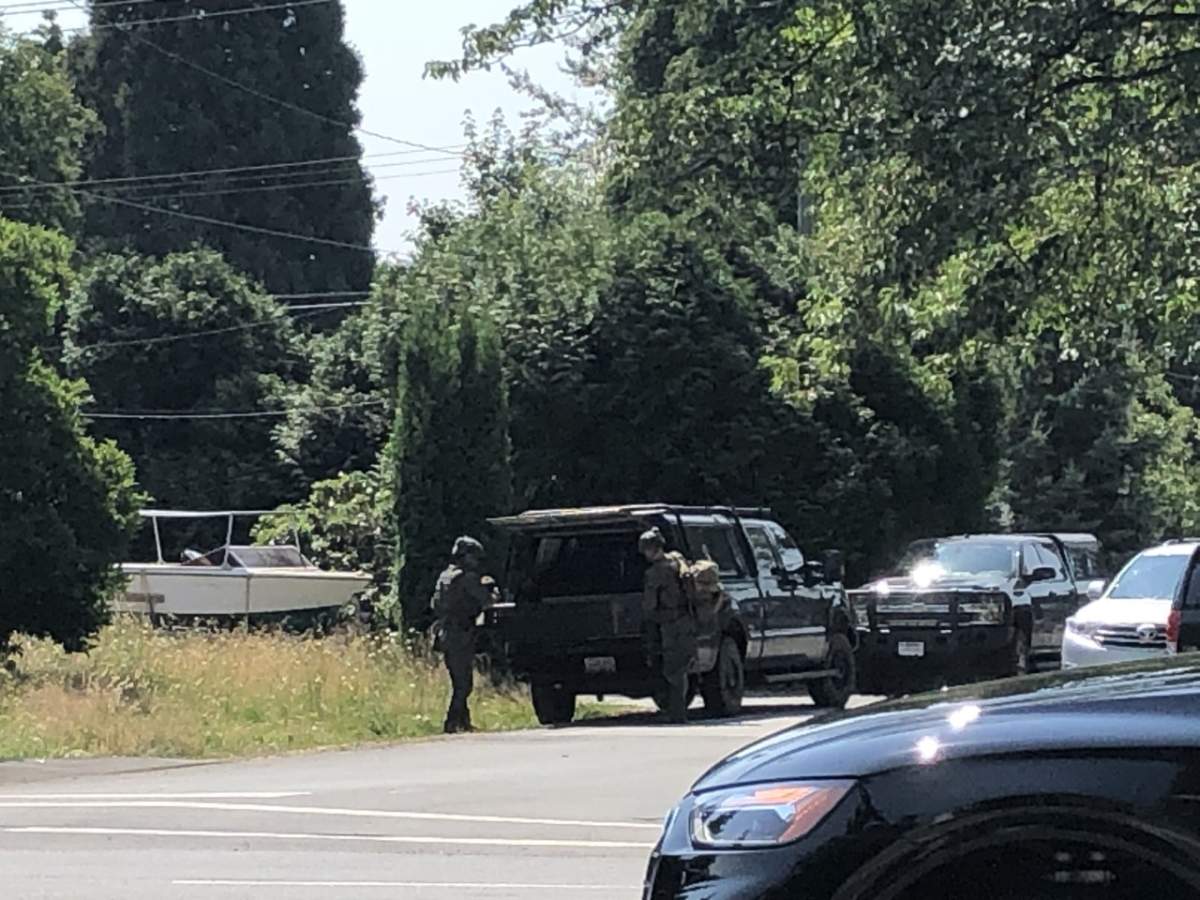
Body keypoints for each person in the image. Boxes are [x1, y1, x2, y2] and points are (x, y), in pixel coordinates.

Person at [432, 536, 495, 734]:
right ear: (465, 557)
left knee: (459, 679)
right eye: (474, 557)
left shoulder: (445, 576)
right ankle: (452, 722)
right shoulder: (466, 578)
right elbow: (487, 602)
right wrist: (490, 589)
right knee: (464, 683)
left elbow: (434, 604)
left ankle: (463, 722)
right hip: (460, 632)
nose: (476, 562)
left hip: (445, 631)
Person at [640, 528, 697, 724]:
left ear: (650, 549)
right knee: (680, 668)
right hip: (686, 620)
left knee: (673, 670)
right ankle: (678, 711)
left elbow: (649, 606)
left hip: (670, 625)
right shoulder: (676, 560)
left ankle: (677, 714)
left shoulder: (656, 572)